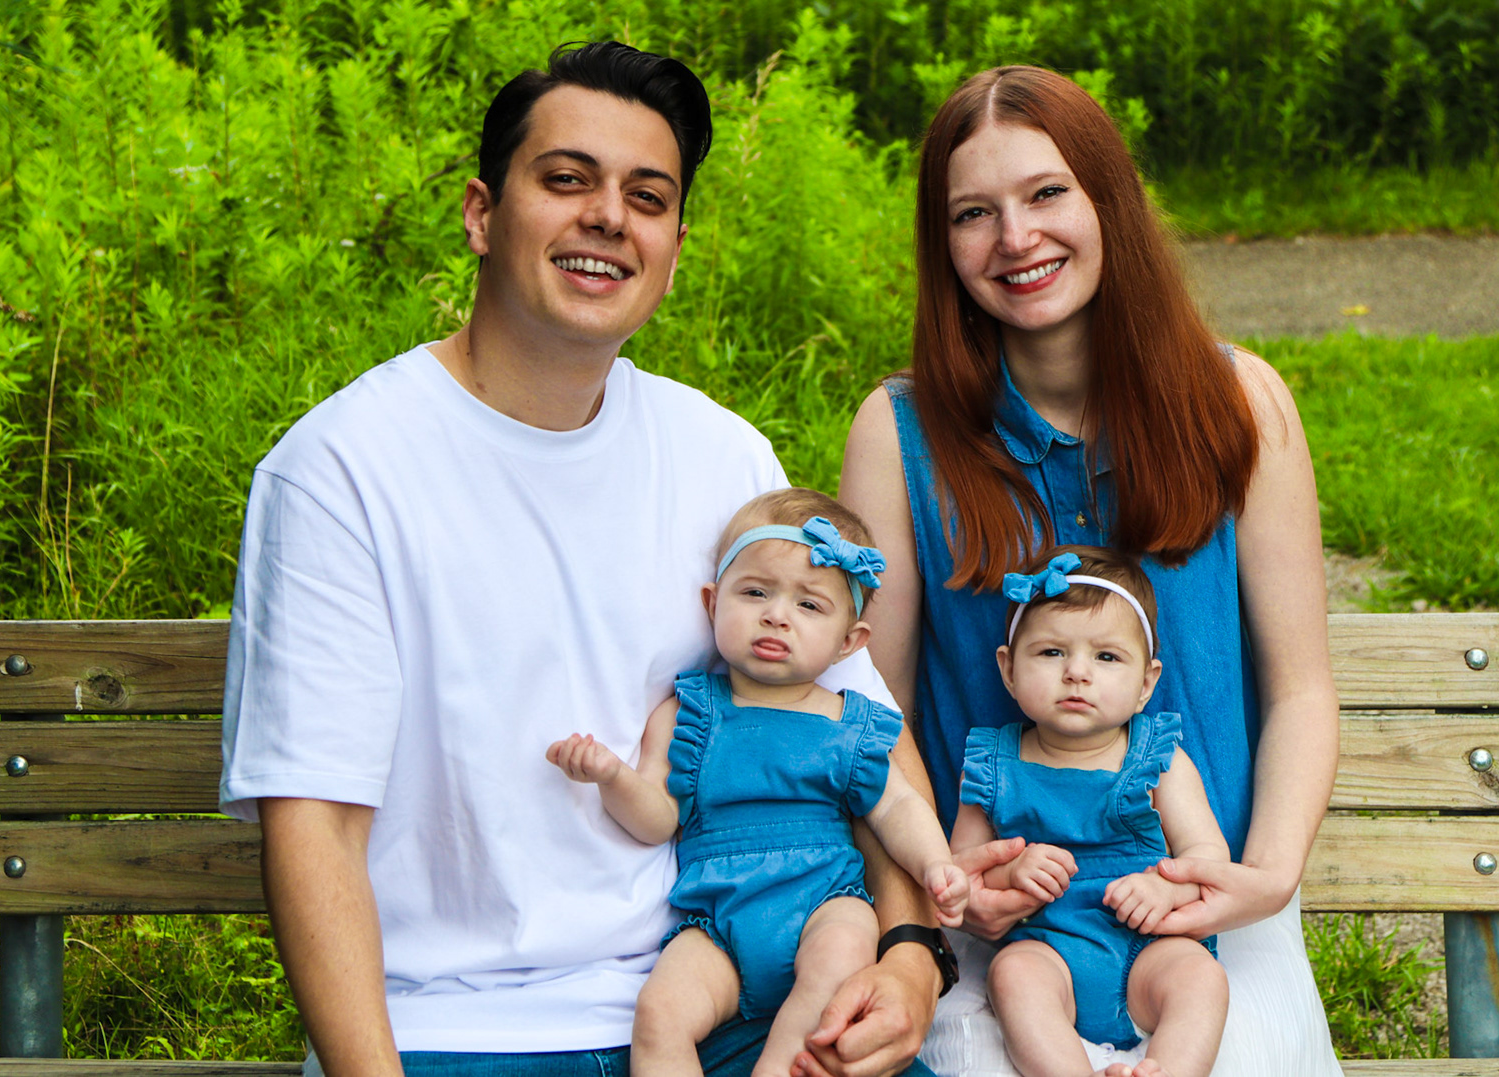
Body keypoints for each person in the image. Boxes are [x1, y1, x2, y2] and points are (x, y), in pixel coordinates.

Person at [220, 41, 951, 1077]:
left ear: (673, 248)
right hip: (458, 1031)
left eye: (646, 197)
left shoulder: (722, 457)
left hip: (726, 1003)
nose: (608, 217)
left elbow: (851, 722)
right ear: (482, 213)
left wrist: (913, 956)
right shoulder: (342, 470)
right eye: (567, 180)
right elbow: (315, 831)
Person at [836, 65, 1344, 1077]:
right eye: (974, 213)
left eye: (1046, 194)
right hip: (997, 921)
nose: (1016, 238)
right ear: (943, 244)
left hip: (1202, 908)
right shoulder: (899, 433)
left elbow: (1301, 689)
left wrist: (1266, 876)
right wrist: (939, 896)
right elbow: (872, 716)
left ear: (1109, 199)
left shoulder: (1240, 403)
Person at [549, 488, 971, 1077]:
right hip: (717, 923)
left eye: (809, 605)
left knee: (843, 955)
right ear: (712, 602)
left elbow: (896, 806)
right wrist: (611, 777)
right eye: (754, 593)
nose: (777, 615)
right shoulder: (689, 713)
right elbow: (657, 820)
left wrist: (936, 865)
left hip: (824, 903)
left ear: (848, 642)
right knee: (660, 1014)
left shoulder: (849, 724)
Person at [950, 548, 1229, 1077]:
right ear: (1008, 669)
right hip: (1047, 946)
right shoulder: (991, 765)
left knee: (1200, 979)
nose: (1077, 672)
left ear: (1146, 683)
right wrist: (1010, 871)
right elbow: (962, 869)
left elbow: (1209, 855)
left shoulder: (1159, 758)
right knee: (1012, 975)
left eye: (1107, 657)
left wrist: (1167, 889)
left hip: (1149, 945)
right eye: (1051, 652)